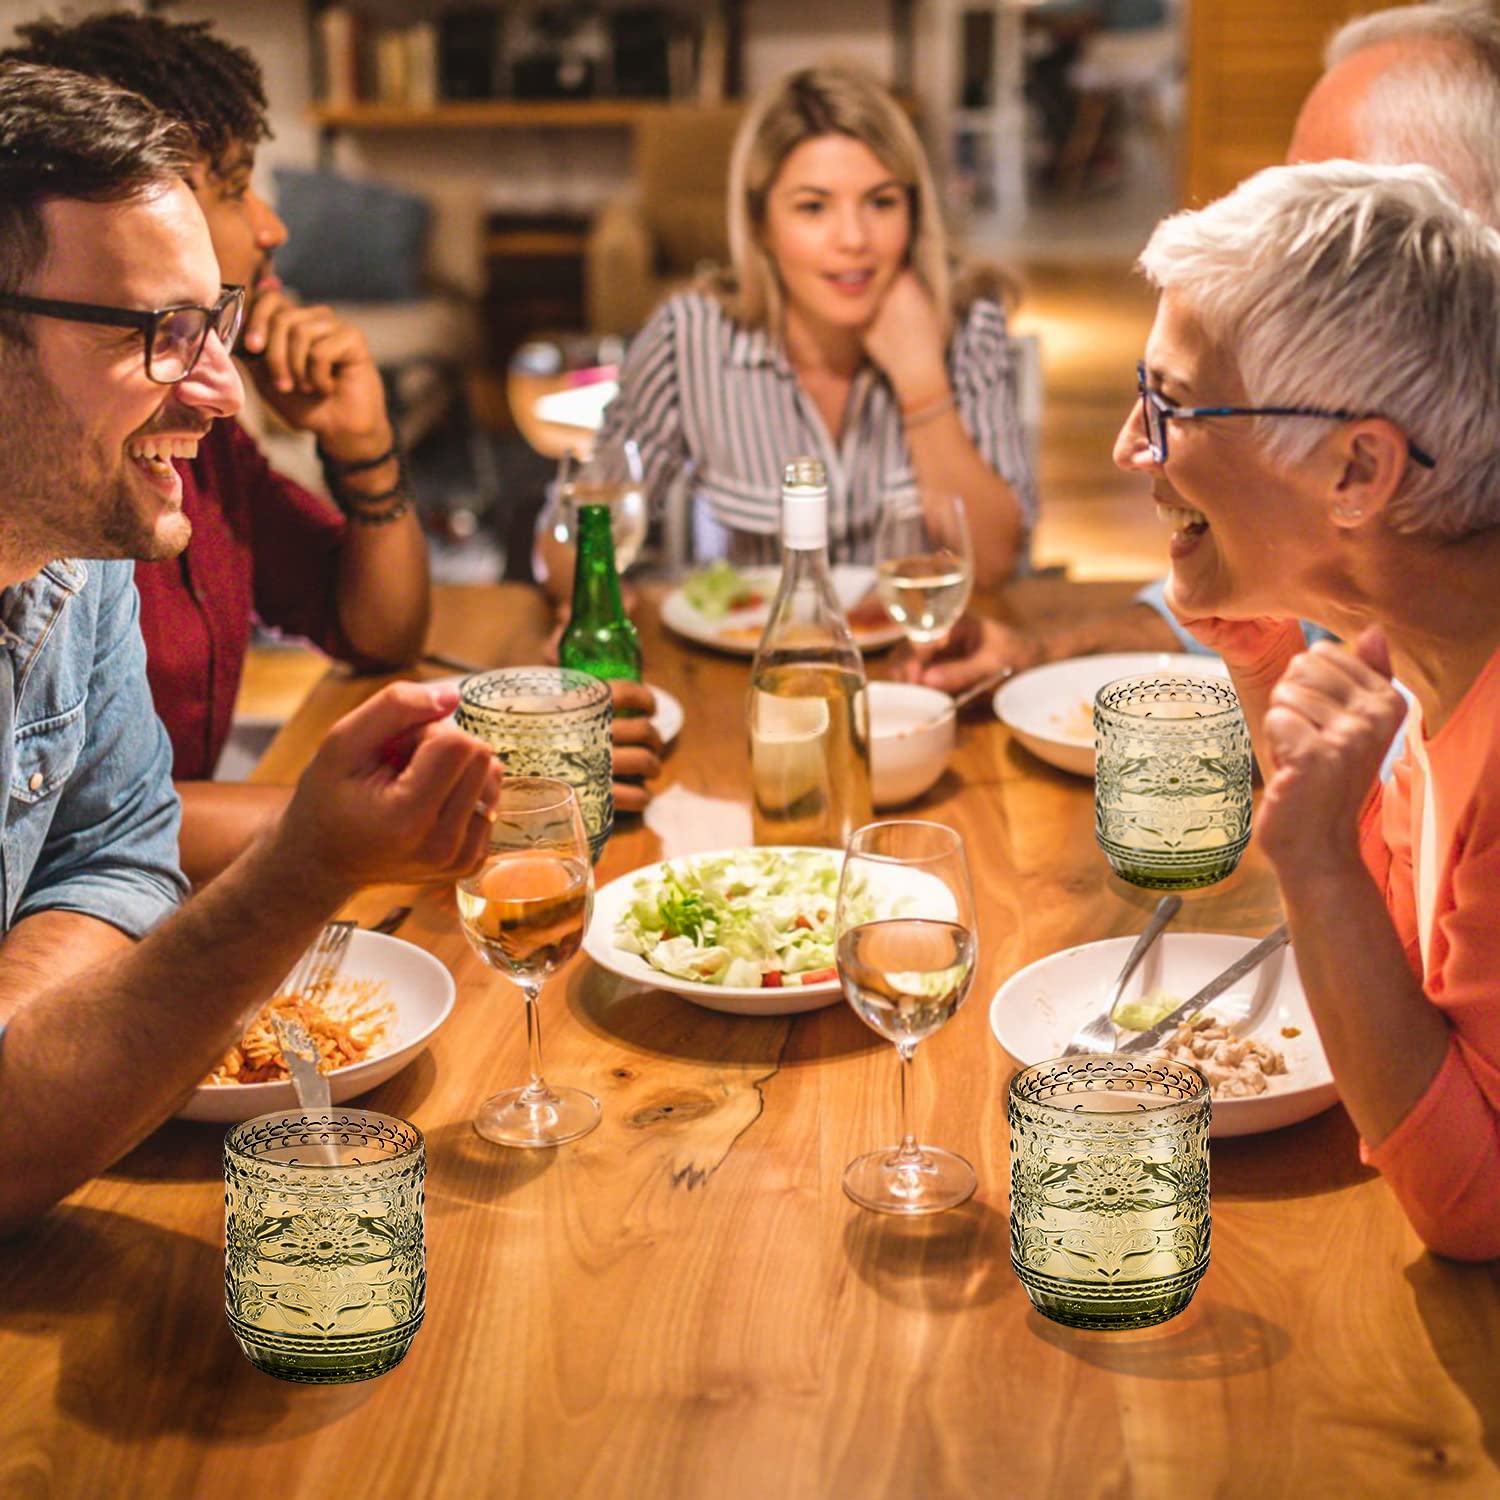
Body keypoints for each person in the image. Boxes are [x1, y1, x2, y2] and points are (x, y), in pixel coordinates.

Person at [0, 62, 500, 1233]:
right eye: (164, 333)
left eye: (214, 322)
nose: (221, 393)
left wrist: (26, 1043)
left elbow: (116, 853)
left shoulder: (81, 563)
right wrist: (307, 861)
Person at [2, 12, 658, 850]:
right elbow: (96, 833)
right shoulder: (63, 487)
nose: (271, 225)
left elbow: (377, 631)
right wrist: (468, 790)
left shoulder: (191, 444)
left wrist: (363, 444)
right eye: (236, 184)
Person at [1124, 157, 1500, 1260]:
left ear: (1357, 469)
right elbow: (1416, 979)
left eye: (1171, 408)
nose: (1130, 450)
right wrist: (1263, 672)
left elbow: (1475, 1211)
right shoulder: (1434, 650)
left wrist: (1318, 860)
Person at [904, 0, 1500, 695]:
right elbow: (1274, 576)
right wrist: (1044, 654)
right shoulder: (1368, 527)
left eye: (1331, 216)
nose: (1277, 240)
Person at [575, 65, 1036, 585]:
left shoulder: (968, 320)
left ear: (913, 213)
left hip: (919, 656)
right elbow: (578, 537)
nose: (854, 238)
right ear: (760, 224)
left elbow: (996, 562)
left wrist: (922, 383)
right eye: (813, 207)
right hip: (754, 652)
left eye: (881, 202)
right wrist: (586, 589)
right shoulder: (688, 336)